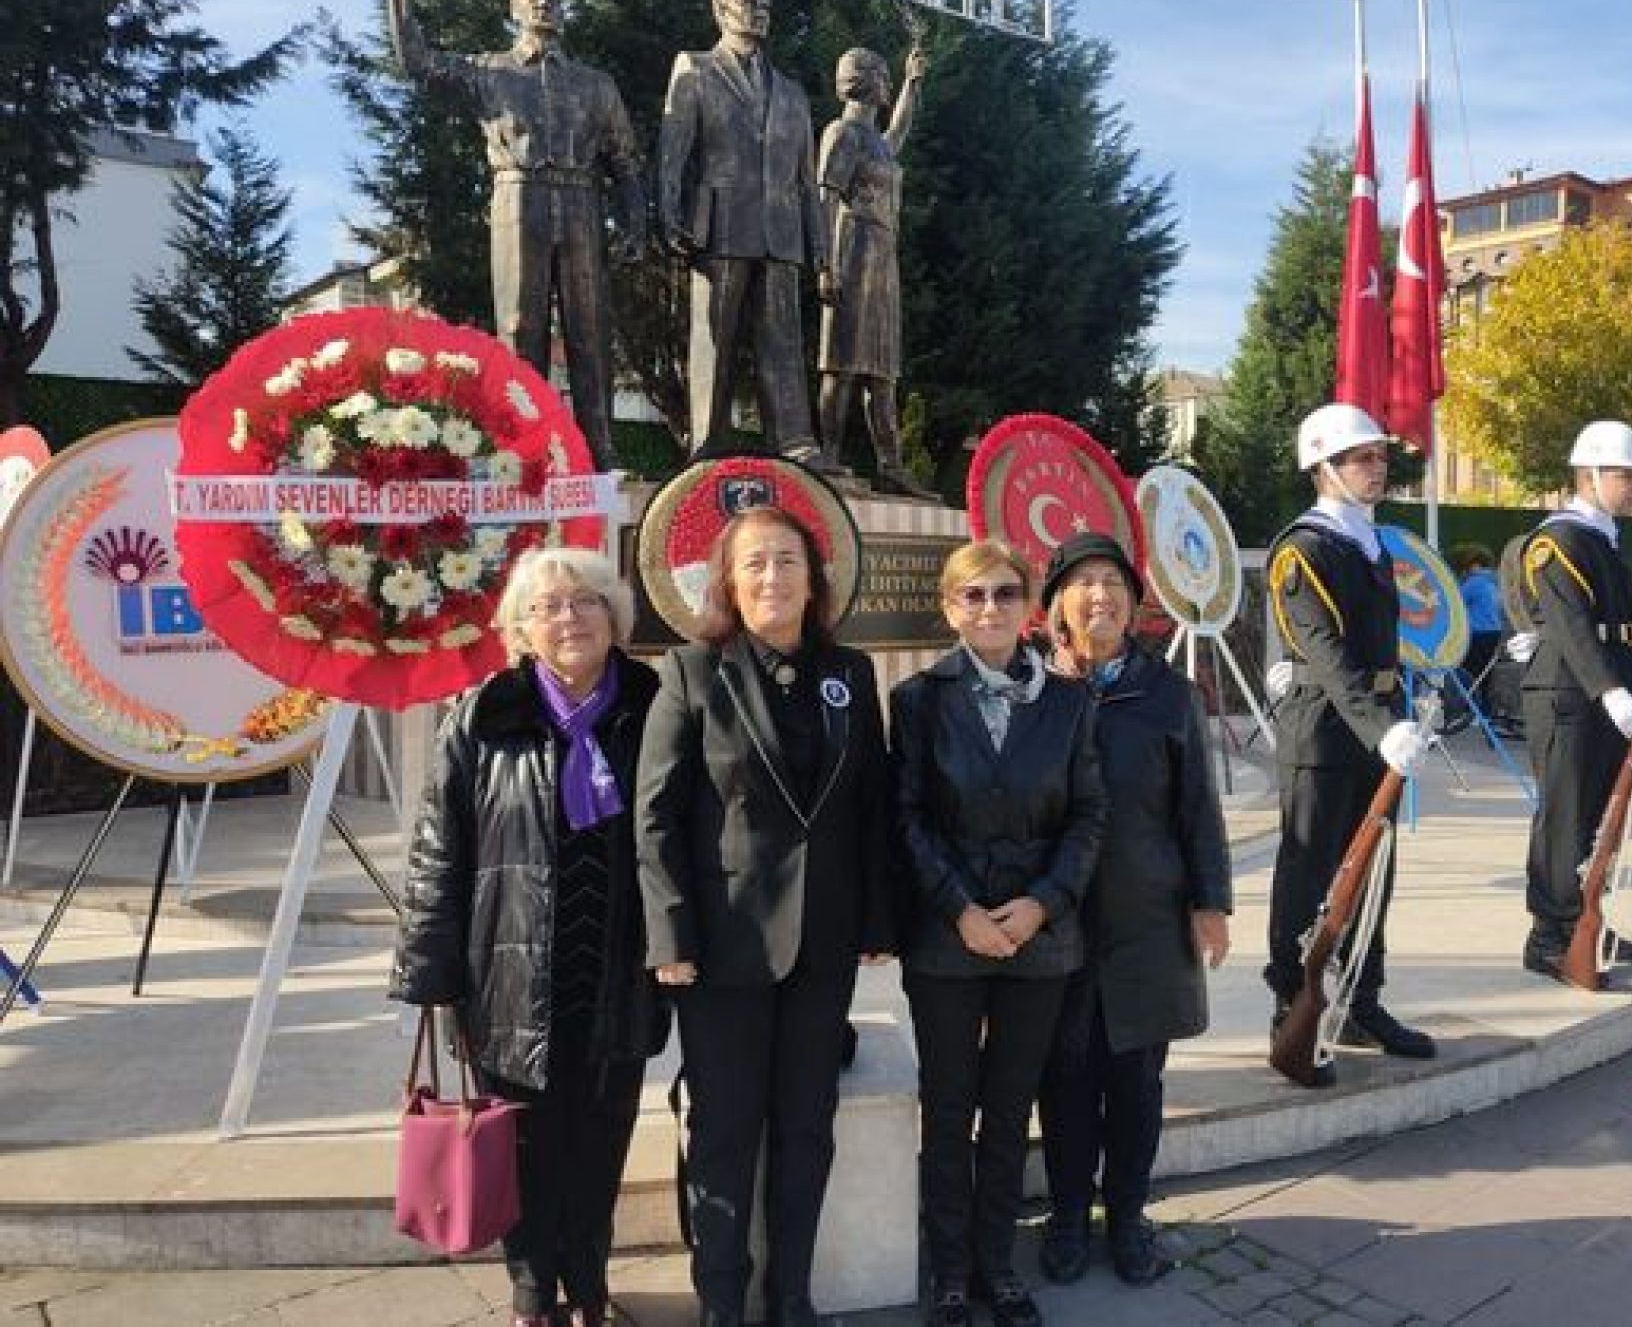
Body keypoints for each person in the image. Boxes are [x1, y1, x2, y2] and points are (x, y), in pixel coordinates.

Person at [635, 506, 895, 1327]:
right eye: (755, 564)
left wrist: (879, 921)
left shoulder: (850, 674)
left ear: (814, 579)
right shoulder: (691, 673)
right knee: (722, 1131)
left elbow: (873, 807)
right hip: (722, 947)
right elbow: (654, 816)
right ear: (729, 582)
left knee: (804, 1128)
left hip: (822, 943)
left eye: (788, 561)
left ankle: (792, 1294)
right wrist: (669, 934)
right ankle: (722, 1299)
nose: (773, 577)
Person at [392, 547, 664, 1327]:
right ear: (521, 629)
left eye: (585, 601)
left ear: (615, 616)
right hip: (509, 969)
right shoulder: (484, 712)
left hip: (618, 967)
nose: (568, 618)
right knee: (523, 1145)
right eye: (548, 607)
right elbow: (440, 845)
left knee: (602, 1138)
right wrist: (430, 970)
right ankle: (532, 1292)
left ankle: (589, 1283)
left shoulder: (653, 702)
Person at [890, 540, 1106, 1327]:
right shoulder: (917, 699)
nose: (989, 607)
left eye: (1005, 593)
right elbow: (906, 815)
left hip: (1039, 939)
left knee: (1011, 1107)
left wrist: (1042, 902)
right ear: (949, 607)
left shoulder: (1069, 702)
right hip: (949, 939)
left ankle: (996, 1264)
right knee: (949, 1107)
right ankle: (951, 1269)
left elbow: (1088, 815)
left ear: (1028, 606)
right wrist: (960, 908)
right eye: (972, 594)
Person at [1033, 533, 1232, 1290]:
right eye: (1081, 582)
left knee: (1138, 1084)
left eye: (1112, 581)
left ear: (1133, 598)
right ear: (1057, 602)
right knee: (1065, 1080)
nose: (1099, 596)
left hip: (1149, 919)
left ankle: (1127, 1216)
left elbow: (1199, 811)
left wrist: (1210, 902)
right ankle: (1065, 1217)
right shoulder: (1036, 690)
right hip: (1059, 923)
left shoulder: (1168, 692)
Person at [386, 0, 644, 470]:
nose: (544, 3)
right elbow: (417, 62)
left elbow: (624, 159)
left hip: (581, 199)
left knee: (589, 331)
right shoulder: (490, 71)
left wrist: (635, 221)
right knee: (519, 329)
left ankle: (600, 449)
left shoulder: (595, 85)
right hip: (518, 196)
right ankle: (522, 449)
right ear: (515, 6)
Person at [1262, 403, 1436, 1084]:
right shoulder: (1302, 549)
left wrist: (1407, 707)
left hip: (1376, 724)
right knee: (1308, 874)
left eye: (1380, 457)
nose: (1377, 467)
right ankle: (1291, 1005)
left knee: (1372, 872)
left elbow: (1377, 644)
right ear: (1324, 466)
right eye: (1362, 457)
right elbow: (1328, 655)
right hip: (1326, 732)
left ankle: (1362, 999)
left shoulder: (1371, 541)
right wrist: (1380, 723)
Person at [657, 0, 842, 474]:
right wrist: (669, 213)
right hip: (718, 224)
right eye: (747, 4)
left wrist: (821, 252)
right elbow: (674, 154)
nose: (758, 12)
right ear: (720, 11)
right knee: (714, 337)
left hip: (781, 231)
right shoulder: (693, 69)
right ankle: (707, 437)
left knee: (782, 341)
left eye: (765, 5)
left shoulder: (792, 92)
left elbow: (807, 181)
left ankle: (796, 443)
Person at [1517, 419, 1632, 981]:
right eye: (1628, 476)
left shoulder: (1601, 538)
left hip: (1598, 692)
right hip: (1569, 695)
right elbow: (1573, 627)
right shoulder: (1561, 539)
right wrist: (1613, 693)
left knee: (1600, 818)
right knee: (1566, 816)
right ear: (1592, 474)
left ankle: (1585, 919)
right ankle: (1550, 935)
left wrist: (1629, 691)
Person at [815, 44, 932, 496]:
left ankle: (890, 465)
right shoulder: (842, 132)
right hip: (853, 247)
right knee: (843, 360)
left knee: (882, 366)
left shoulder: (877, 142)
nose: (887, 86)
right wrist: (824, 263)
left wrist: (913, 81)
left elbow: (897, 132)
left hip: (883, 254)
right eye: (884, 77)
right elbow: (825, 197)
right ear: (866, 80)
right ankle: (826, 455)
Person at [1455, 546, 1505, 728]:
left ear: (1475, 565)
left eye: (1467, 567)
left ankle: (1471, 712)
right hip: (1494, 633)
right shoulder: (1494, 581)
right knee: (1486, 677)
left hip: (1477, 635)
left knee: (1470, 675)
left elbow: (1454, 601)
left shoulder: (1474, 582)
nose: (1465, 571)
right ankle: (1484, 713)